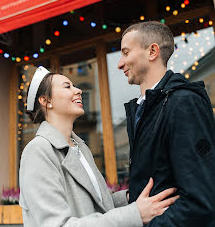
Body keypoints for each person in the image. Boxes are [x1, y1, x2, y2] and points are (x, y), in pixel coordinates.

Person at [19, 66, 179, 227]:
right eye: (67, 86)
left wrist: (133, 196)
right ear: (46, 101)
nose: (79, 90)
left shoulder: (80, 148)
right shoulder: (38, 151)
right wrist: (135, 214)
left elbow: (99, 205)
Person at [118, 21, 215, 226]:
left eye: (126, 53)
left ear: (152, 51)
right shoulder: (144, 108)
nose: (120, 63)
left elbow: (200, 201)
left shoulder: (183, 103)